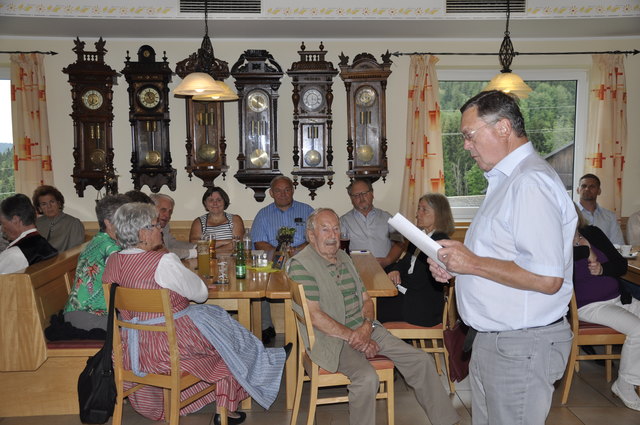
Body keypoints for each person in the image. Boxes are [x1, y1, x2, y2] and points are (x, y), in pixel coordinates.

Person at [428, 90, 576, 425]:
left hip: (521, 345)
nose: (465, 145)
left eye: (469, 135)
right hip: (495, 341)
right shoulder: (505, 182)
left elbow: (547, 278)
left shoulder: (530, 183)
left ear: (504, 128)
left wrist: (472, 264)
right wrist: (457, 268)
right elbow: (502, 258)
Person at [102, 202, 289, 425]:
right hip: (169, 347)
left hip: (134, 350)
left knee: (219, 326)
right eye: (155, 225)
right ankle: (229, 404)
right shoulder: (162, 261)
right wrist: (198, 282)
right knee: (227, 341)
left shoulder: (112, 260)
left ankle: (266, 361)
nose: (160, 229)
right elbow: (199, 294)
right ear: (142, 233)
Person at [287, 208, 459, 425]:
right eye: (325, 229)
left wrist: (366, 327)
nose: (333, 235)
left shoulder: (345, 257)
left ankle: (447, 422)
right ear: (311, 235)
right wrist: (356, 338)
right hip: (332, 339)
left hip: (366, 329)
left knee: (421, 360)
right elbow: (315, 317)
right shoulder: (302, 265)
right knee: (367, 378)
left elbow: (367, 300)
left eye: (336, 229)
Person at [572, 207, 640, 411]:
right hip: (590, 307)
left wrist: (602, 268)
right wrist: (588, 251)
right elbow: (569, 255)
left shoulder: (593, 232)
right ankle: (625, 385)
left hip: (619, 298)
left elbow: (620, 265)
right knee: (638, 331)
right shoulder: (555, 242)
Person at [251, 176, 314, 343]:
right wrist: (280, 253)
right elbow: (258, 242)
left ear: (292, 190)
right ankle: (265, 327)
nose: (283, 194)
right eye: (278, 190)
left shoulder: (307, 210)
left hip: (303, 260)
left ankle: (309, 324)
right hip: (272, 262)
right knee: (258, 282)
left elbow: (315, 238)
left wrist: (297, 251)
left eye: (287, 189)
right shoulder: (263, 214)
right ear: (271, 193)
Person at [377, 193, 454, 327]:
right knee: (375, 301)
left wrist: (400, 282)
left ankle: (392, 345)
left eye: (424, 209)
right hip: (411, 297)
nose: (418, 213)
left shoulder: (440, 243)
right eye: (418, 209)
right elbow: (403, 263)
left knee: (376, 307)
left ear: (439, 214)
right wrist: (395, 271)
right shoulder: (420, 238)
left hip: (423, 307)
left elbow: (422, 280)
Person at [63, 194, 131, 331]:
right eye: (125, 218)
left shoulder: (101, 240)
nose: (130, 223)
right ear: (108, 223)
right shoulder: (110, 247)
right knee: (144, 326)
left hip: (85, 313)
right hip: (88, 316)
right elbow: (130, 281)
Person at [340, 178, 403, 269]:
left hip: (386, 270)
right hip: (357, 272)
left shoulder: (387, 217)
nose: (361, 198)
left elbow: (399, 243)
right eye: (356, 195)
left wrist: (387, 261)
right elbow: (340, 250)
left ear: (372, 193)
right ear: (351, 198)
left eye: (364, 193)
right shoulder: (344, 221)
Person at [0, 193, 58, 273]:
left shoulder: (14, 255)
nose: (2, 229)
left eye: (2, 223)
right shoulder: (44, 243)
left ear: (15, 220)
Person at [189, 187, 244, 253]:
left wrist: (210, 249)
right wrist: (225, 242)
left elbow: (237, 244)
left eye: (219, 200)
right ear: (205, 203)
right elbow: (194, 244)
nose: (215, 203)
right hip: (207, 261)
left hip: (231, 260)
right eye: (211, 200)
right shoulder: (198, 222)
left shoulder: (235, 219)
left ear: (224, 202)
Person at [32, 185, 85, 252]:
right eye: (44, 204)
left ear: (59, 203)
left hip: (63, 261)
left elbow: (75, 252)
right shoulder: (36, 224)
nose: (49, 206)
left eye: (52, 202)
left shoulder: (74, 223)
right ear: (39, 208)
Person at [576, 173, 625, 245]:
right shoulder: (571, 214)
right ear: (578, 190)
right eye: (583, 186)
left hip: (605, 256)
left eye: (592, 186)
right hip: (578, 255)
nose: (587, 189)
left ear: (599, 191)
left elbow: (618, 244)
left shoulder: (610, 217)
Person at [150, 193, 196, 260]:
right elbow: (160, 253)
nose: (167, 215)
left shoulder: (164, 224)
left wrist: (197, 247)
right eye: (163, 210)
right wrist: (193, 253)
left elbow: (172, 243)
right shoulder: (146, 228)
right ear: (151, 209)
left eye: (170, 212)